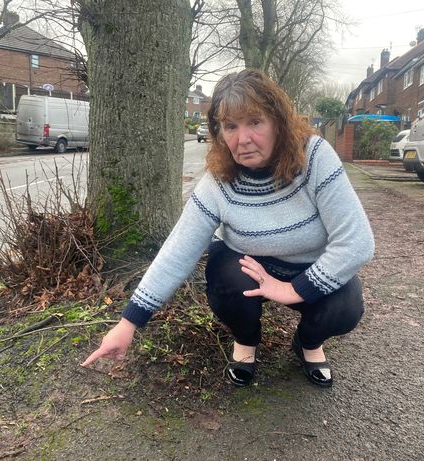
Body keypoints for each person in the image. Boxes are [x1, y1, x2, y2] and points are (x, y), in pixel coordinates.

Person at [82, 69, 374, 388]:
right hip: (248, 269)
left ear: (278, 121)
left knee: (346, 306)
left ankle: (307, 342)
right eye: (230, 126)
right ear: (219, 132)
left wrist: (294, 289)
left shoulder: (314, 157)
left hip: (308, 267)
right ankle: (246, 342)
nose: (242, 139)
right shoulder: (218, 182)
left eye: (255, 122)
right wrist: (128, 323)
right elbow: (178, 250)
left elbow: (356, 241)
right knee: (225, 279)